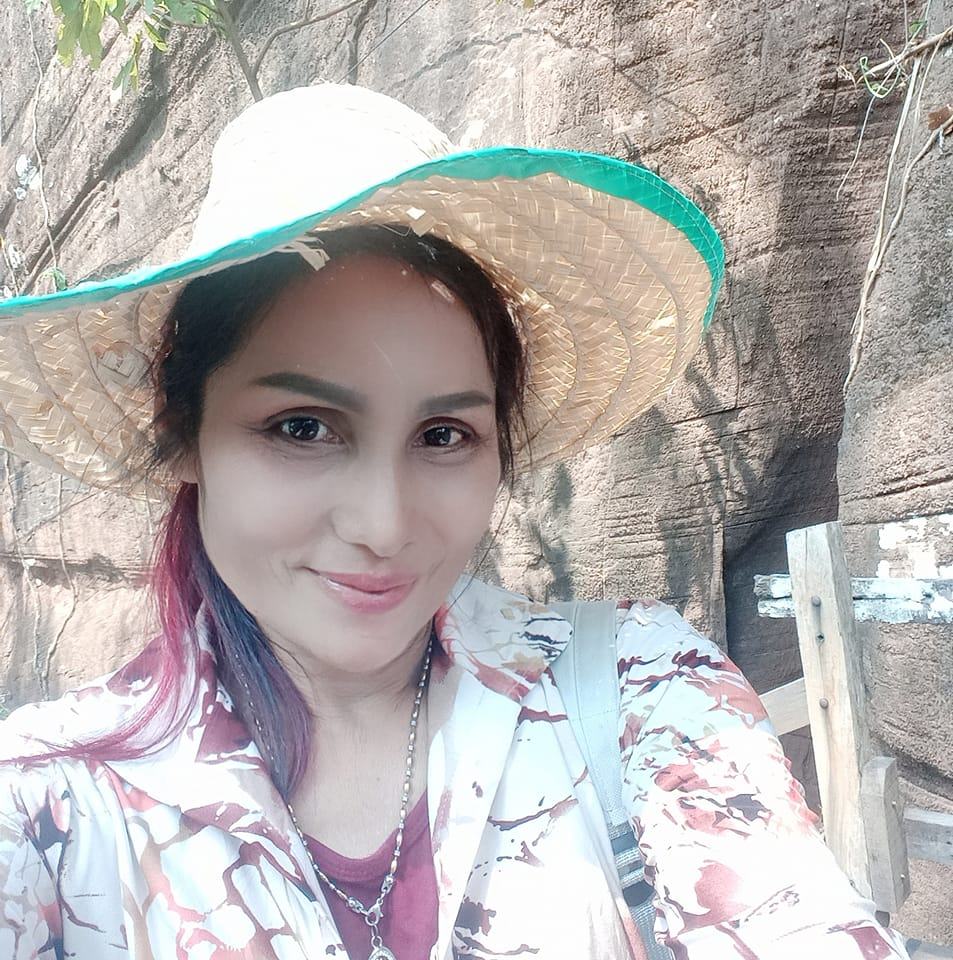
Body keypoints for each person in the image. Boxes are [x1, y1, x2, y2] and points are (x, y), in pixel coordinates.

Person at [0, 84, 909, 960]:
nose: (383, 523)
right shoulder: (49, 804)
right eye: (302, 427)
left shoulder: (637, 691)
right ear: (184, 435)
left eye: (443, 435)